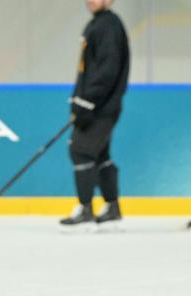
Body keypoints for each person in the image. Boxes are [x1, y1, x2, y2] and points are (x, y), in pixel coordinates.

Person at [61, 0, 131, 227]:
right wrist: (78, 100)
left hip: (101, 106)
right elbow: (87, 70)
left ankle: (85, 209)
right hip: (99, 105)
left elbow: (106, 71)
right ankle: (112, 207)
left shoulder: (108, 26)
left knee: (80, 150)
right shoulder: (98, 24)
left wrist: (87, 102)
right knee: (99, 154)